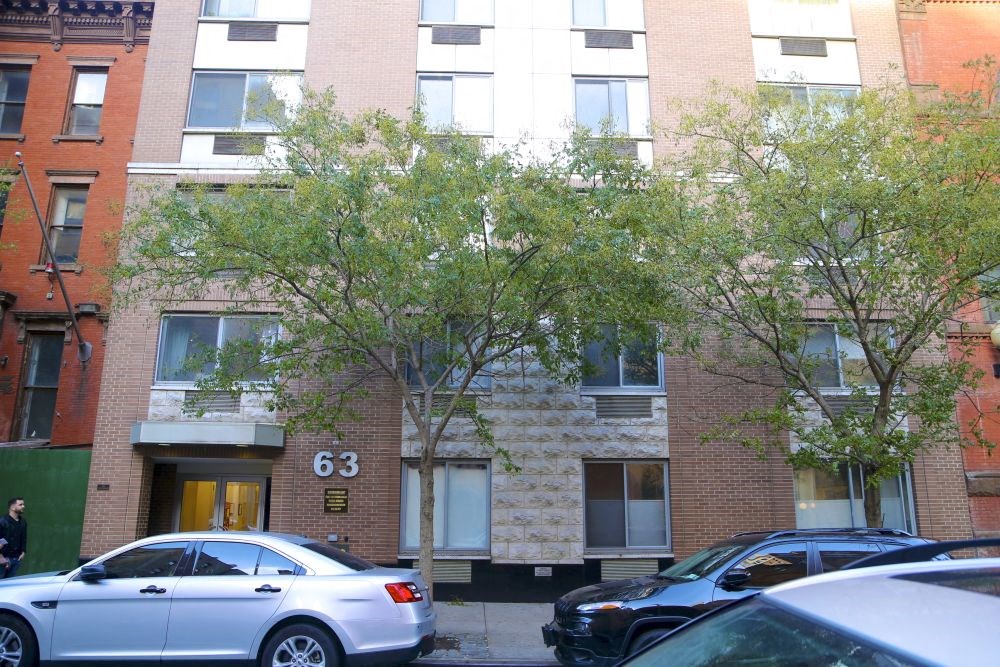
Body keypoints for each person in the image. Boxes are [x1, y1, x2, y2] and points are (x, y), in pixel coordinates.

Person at [0, 497, 26, 579]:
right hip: (3, 559)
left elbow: (24, 538)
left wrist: (23, 552)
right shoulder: (2, 522)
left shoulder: (23, 522)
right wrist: (1, 558)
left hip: (16, 559)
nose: (23, 506)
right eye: (20, 504)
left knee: (10, 585)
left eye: (23, 504)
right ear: (12, 507)